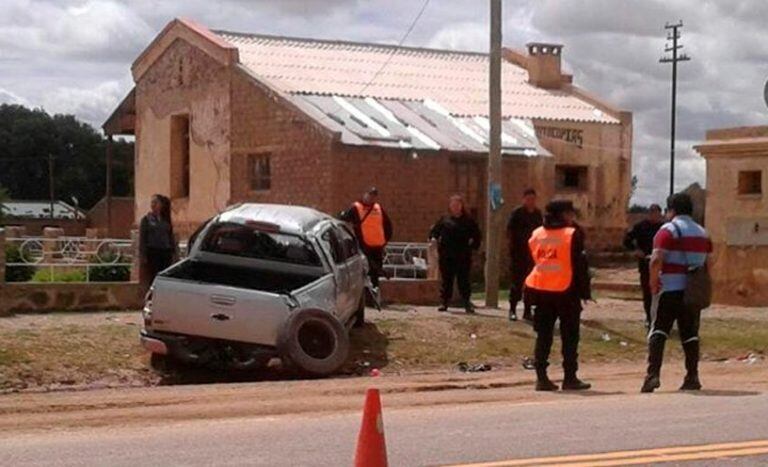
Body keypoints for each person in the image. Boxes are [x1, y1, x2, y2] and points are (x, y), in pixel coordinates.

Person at [642, 193, 712, 393]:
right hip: (692, 292)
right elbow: (709, 263)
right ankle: (692, 375)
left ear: (671, 210)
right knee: (690, 334)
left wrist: (653, 282)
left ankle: (652, 375)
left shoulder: (668, 231)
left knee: (659, 331)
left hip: (670, 288)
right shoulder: (703, 233)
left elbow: (656, 260)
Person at [525, 200, 592, 391]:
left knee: (543, 335)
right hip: (566, 290)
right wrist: (585, 292)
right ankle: (570, 377)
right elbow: (580, 266)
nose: (573, 217)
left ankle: (541, 378)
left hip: (542, 291)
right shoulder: (571, 234)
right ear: (563, 214)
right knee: (570, 336)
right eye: (570, 213)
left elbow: (533, 261)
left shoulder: (537, 234)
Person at [429, 195, 482, 314]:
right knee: (447, 280)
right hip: (446, 256)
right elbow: (434, 232)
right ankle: (444, 302)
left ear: (462, 206)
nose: (455, 207)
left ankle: (467, 303)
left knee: (464, 280)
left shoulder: (469, 221)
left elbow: (477, 236)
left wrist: (473, 246)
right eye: (453, 205)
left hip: (463, 256)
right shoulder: (444, 220)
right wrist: (433, 239)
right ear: (450, 207)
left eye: (458, 205)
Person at [339, 187, 393, 289]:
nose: (371, 198)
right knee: (367, 268)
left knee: (375, 272)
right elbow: (344, 218)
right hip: (364, 245)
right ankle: (367, 291)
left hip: (378, 245)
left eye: (373, 196)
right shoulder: (356, 208)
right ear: (364, 195)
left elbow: (387, 225)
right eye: (369, 195)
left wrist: (385, 240)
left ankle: (375, 290)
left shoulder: (378, 208)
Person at [623, 204, 664, 327]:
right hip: (645, 263)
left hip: (661, 264)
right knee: (647, 292)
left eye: (656, 213)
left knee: (660, 292)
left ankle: (659, 318)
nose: (654, 215)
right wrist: (636, 250)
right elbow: (627, 240)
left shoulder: (663, 228)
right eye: (652, 212)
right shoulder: (641, 227)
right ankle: (649, 317)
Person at [506, 188, 543, 322]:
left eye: (533, 199)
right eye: (528, 199)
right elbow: (509, 231)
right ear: (523, 200)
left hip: (533, 255)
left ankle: (527, 311)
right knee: (516, 282)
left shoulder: (538, 214)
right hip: (518, 254)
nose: (530, 202)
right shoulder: (517, 213)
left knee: (531, 284)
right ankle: (512, 309)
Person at [139, 194, 176, 287]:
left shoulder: (166, 220)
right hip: (153, 252)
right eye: (152, 202)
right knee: (153, 277)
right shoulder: (146, 220)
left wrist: (173, 250)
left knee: (165, 276)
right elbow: (143, 238)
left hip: (165, 252)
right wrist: (143, 255)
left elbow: (170, 235)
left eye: (156, 202)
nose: (153, 204)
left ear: (161, 205)